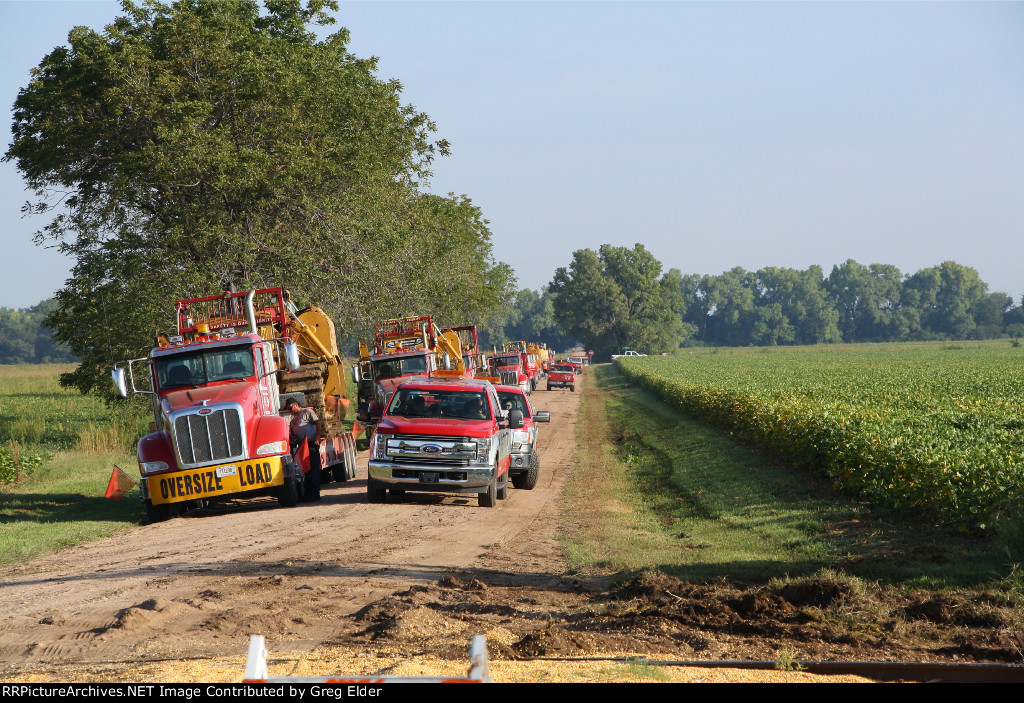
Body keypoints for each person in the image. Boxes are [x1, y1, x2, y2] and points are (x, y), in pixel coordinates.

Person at [286, 398, 323, 502]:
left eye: (290, 408)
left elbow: (317, 423)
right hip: (302, 447)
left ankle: (315, 494)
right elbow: (294, 435)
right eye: (288, 409)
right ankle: (307, 494)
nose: (290, 411)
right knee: (306, 471)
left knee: (314, 470)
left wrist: (317, 437)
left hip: (311, 444)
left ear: (296, 404)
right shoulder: (293, 421)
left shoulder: (307, 412)